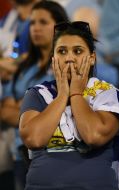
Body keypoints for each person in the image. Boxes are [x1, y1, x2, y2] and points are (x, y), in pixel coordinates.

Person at [19, 21, 119, 190]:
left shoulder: (107, 94)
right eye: (62, 51)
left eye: (77, 51)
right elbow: (34, 139)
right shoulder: (37, 94)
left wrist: (75, 93)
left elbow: (93, 136)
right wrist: (62, 96)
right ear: (53, 59)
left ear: (92, 58)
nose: (69, 58)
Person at [0, 1, 69, 189]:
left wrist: (24, 108)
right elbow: (5, 112)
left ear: (59, 25)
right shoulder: (23, 68)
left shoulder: (68, 67)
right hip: (20, 155)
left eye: (43, 22)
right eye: (32, 23)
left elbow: (63, 114)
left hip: (57, 154)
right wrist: (39, 112)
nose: (36, 28)